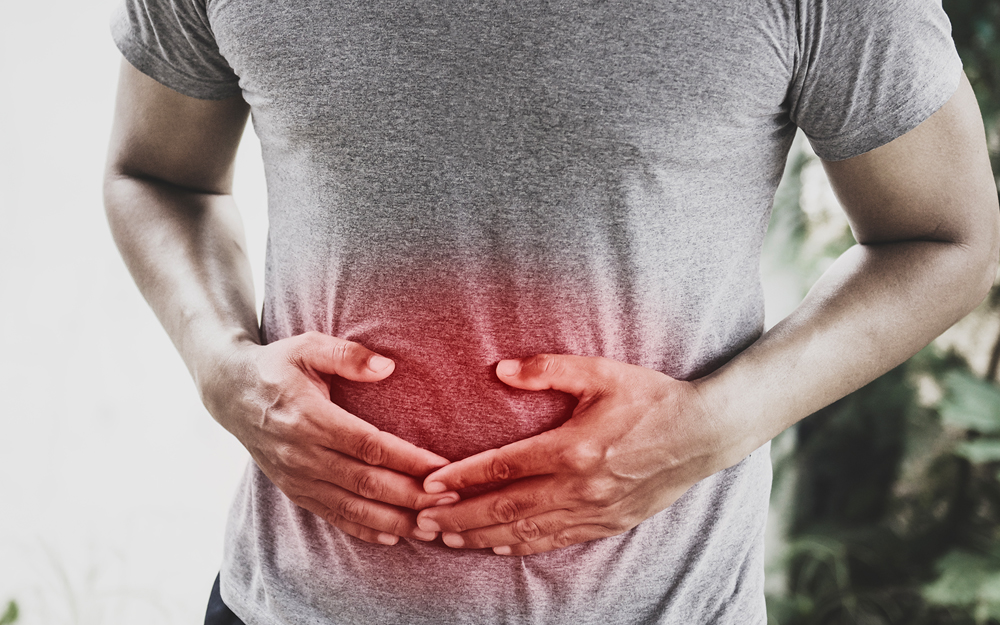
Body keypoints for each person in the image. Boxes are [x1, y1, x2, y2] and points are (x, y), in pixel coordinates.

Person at [104, 0, 999, 622]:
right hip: (282, 606)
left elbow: (945, 237)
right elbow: (155, 173)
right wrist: (222, 366)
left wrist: (711, 425)